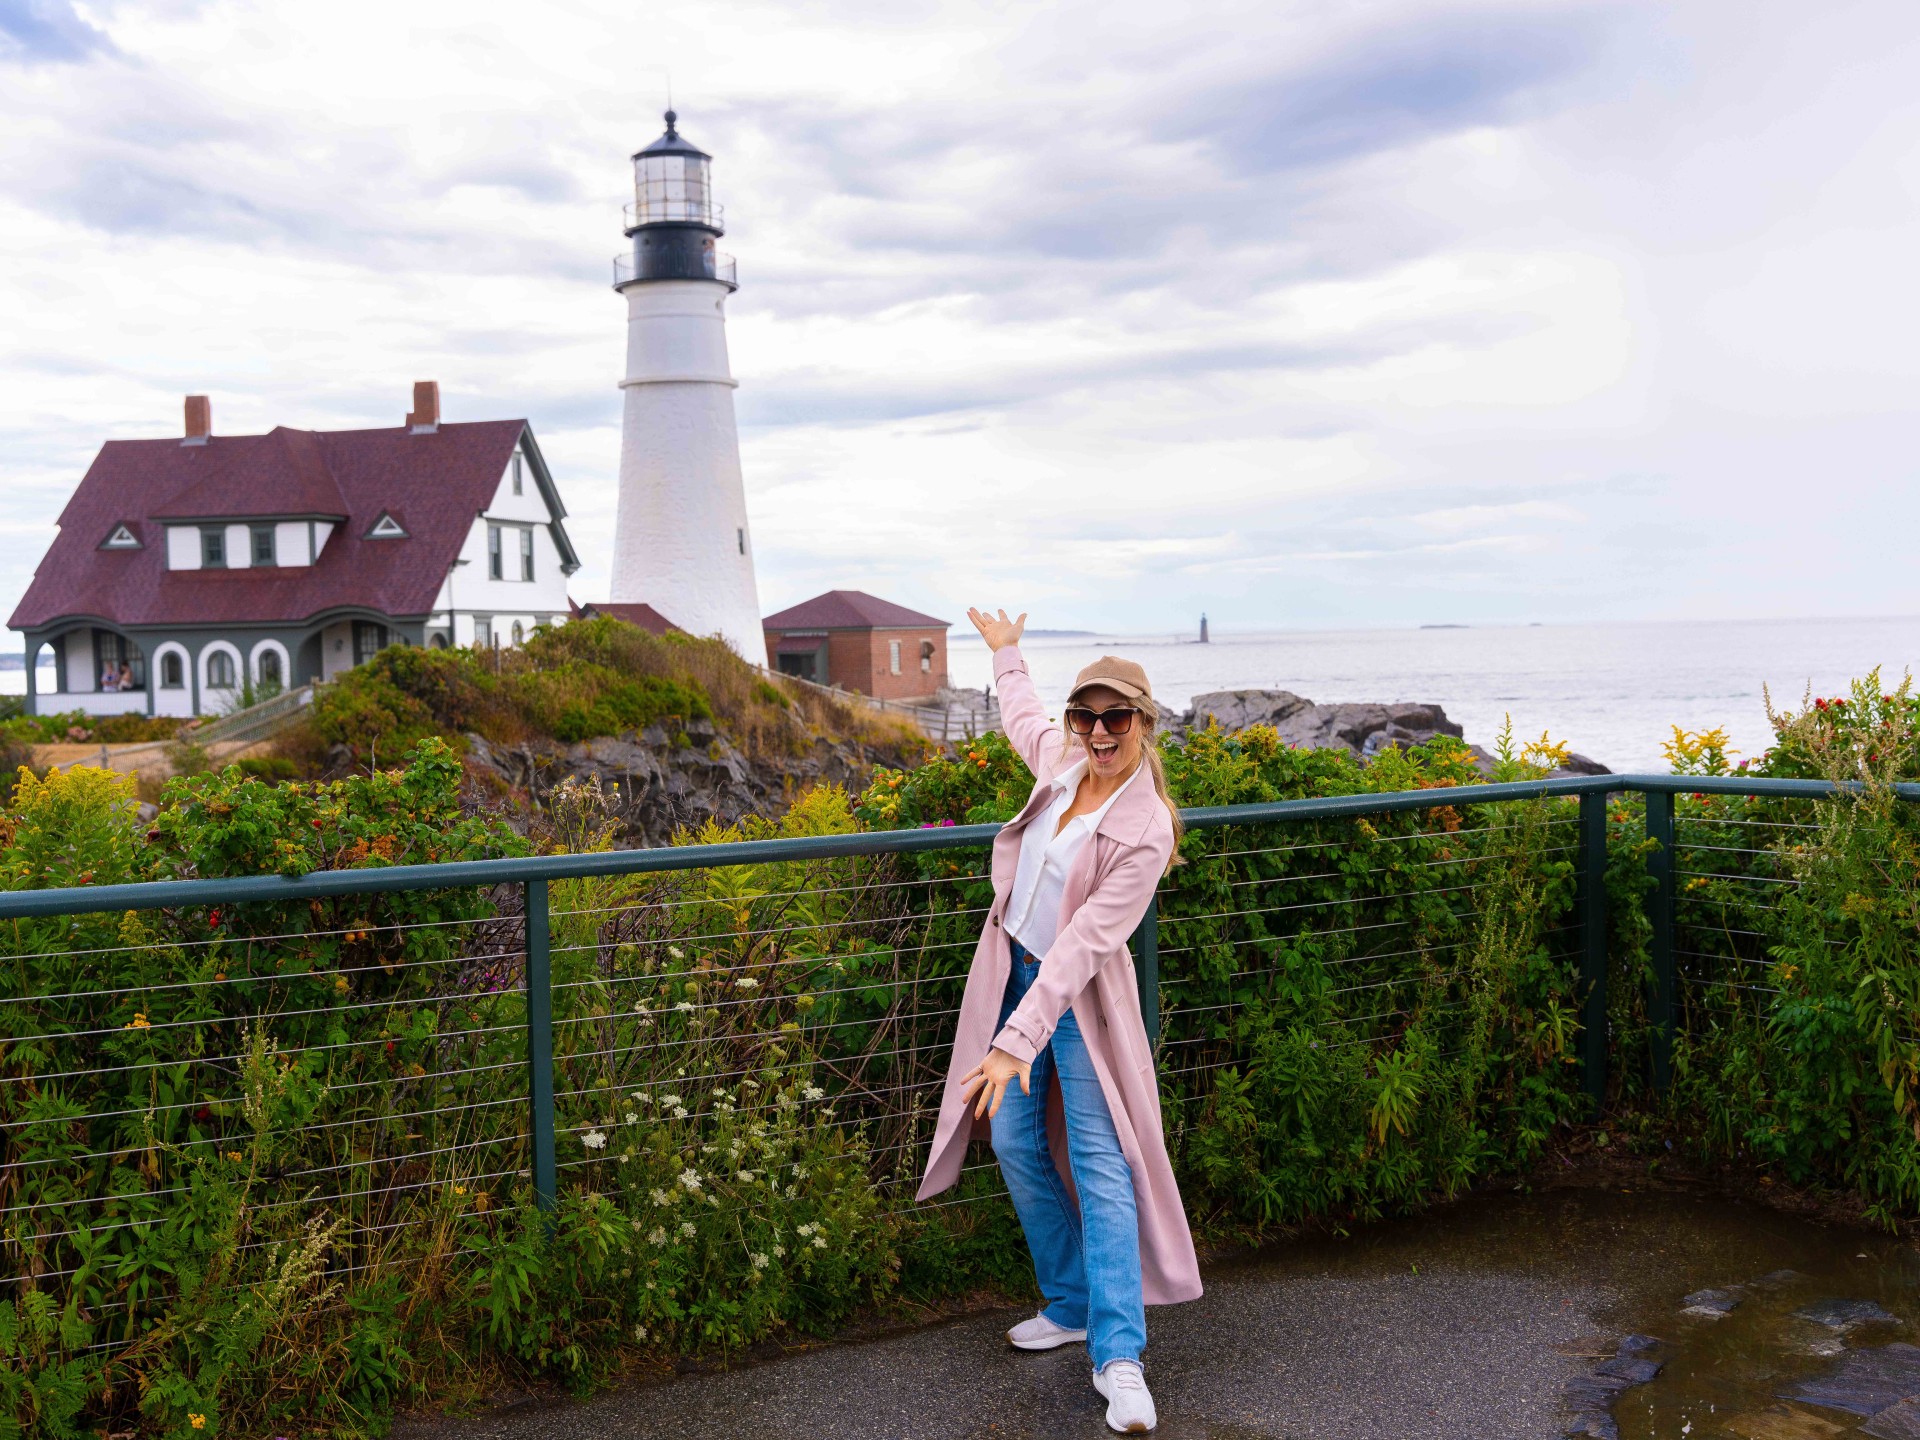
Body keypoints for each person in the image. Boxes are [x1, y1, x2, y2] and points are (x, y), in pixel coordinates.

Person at [917, 607, 1200, 1434]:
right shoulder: (1066, 763)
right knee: (1009, 1139)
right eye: (1089, 715)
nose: (1100, 730)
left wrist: (1013, 1045)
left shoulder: (1146, 829)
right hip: (1010, 972)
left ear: (1145, 723)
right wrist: (1006, 655)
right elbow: (1025, 722)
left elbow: (1082, 948)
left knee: (1102, 1161)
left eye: (1118, 717)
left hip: (1074, 1002)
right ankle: (1072, 1300)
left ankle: (1120, 1358)